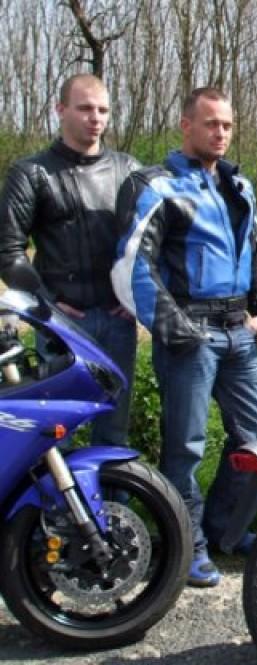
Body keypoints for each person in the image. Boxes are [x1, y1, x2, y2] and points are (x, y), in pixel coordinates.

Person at [111, 87, 257, 588]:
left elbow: (256, 251)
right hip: (190, 333)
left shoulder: (239, 185)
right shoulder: (157, 186)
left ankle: (225, 529)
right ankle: (186, 545)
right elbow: (133, 266)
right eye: (211, 124)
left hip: (239, 333)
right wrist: (176, 329)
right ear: (186, 125)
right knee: (185, 446)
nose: (220, 133)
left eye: (227, 125)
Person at [0, 73, 139, 445]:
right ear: (60, 110)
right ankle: (51, 488)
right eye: (85, 108)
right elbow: (8, 249)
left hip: (118, 320)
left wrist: (136, 299)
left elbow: (150, 242)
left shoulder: (129, 170)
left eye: (103, 110)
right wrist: (46, 304)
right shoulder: (31, 173)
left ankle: (112, 488)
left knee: (113, 432)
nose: (96, 118)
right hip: (61, 324)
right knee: (54, 433)